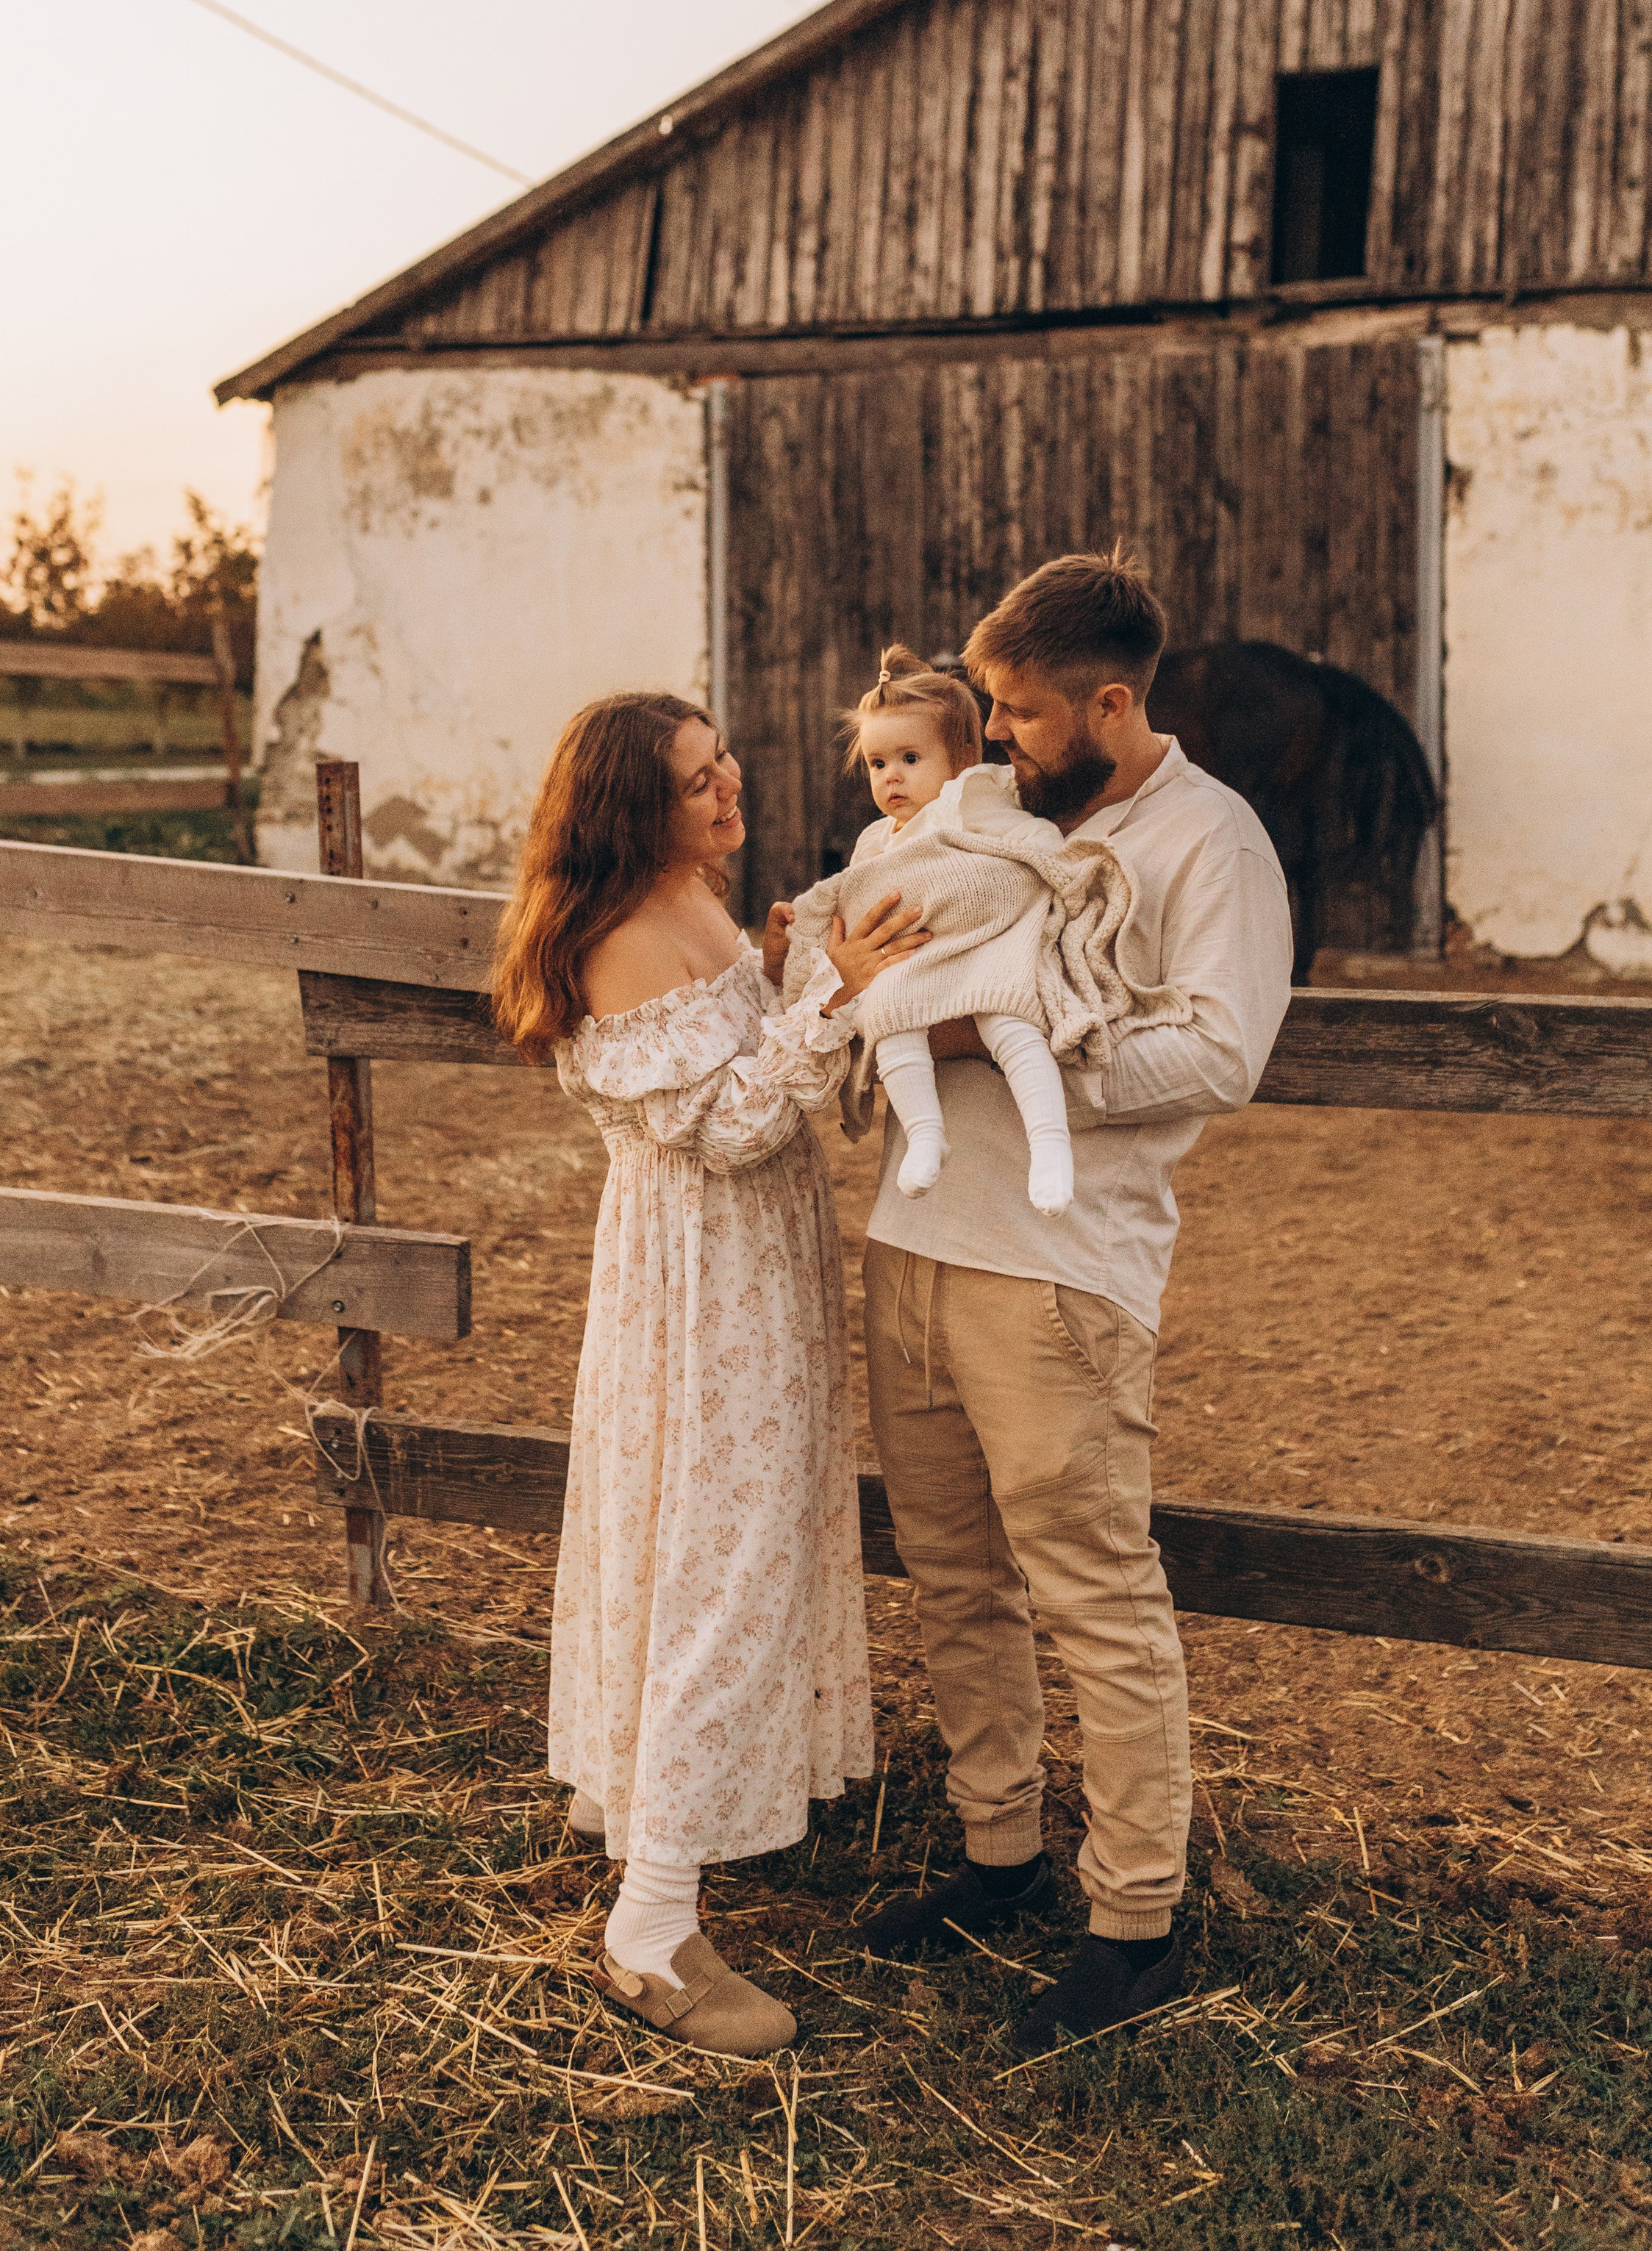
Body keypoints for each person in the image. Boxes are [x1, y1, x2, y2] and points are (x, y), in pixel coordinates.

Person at [851, 550, 1293, 2052]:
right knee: (951, 1575)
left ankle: (1131, 1915)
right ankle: (996, 1854)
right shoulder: (986, 817)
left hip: (1054, 1277)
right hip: (911, 1243)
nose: (997, 738)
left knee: (1093, 1595)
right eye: (986, 709)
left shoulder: (1206, 845)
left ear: (1111, 702)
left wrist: (1003, 1045)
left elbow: (1219, 1056)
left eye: (1026, 716)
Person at [490, 690, 926, 2058]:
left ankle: (664, 1819)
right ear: (633, 808)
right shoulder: (619, 936)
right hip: (701, 1291)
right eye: (695, 779)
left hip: (756, 1273)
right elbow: (732, 1125)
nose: (729, 785)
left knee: (727, 1548)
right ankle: (651, 1927)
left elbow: (754, 1069)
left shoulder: (696, 901)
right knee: (715, 1572)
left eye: (723, 758)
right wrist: (833, 998)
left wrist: (791, 971)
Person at [779, 645, 1191, 1216]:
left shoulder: (977, 802)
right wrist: (808, 929)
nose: (891, 777)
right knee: (888, 1021)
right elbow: (857, 894)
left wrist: (1061, 874)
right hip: (915, 963)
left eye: (909, 759)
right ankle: (926, 1134)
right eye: (878, 765)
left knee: (1011, 1023)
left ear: (961, 758)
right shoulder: (878, 841)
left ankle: (1050, 1145)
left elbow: (1040, 849)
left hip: (983, 952)